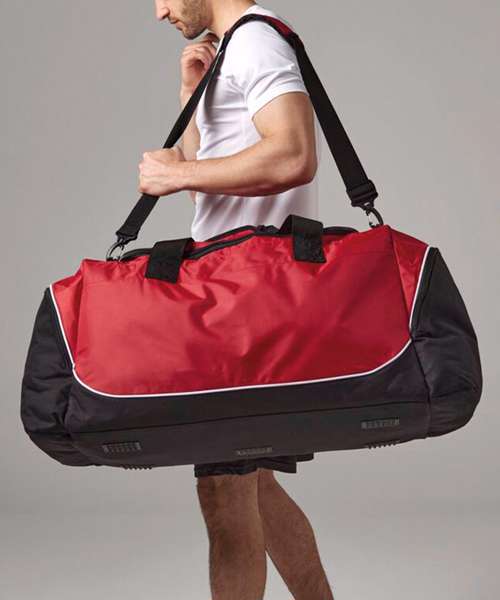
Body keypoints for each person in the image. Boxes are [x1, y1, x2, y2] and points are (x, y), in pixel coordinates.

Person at [139, 2, 334, 599]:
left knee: (223, 493)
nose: (160, 11)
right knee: (255, 487)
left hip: (245, 309)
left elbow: (294, 155)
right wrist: (191, 97)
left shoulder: (254, 43)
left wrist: (176, 175)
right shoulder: (233, 47)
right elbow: (215, 187)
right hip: (241, 299)